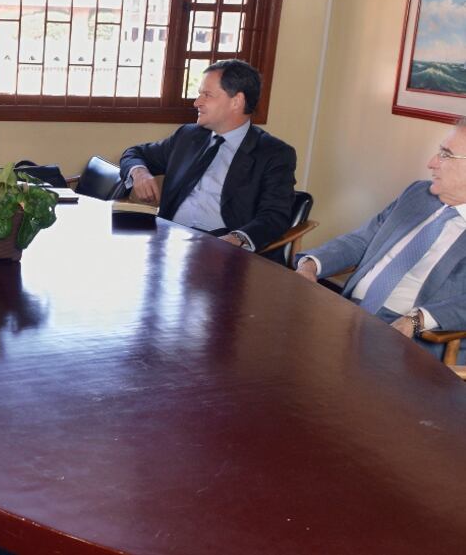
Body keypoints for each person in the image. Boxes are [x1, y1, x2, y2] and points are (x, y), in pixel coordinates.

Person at [296, 120, 466, 362]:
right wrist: (311, 264)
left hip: (412, 339)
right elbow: (363, 239)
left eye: (445, 155)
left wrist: (416, 319)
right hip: (349, 312)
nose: (431, 163)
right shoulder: (418, 194)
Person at [119, 59, 297, 252]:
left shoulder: (274, 154)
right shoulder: (188, 136)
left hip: (224, 251)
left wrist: (236, 239)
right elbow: (134, 153)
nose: (197, 102)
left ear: (236, 101)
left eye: (207, 95)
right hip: (169, 241)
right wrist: (140, 172)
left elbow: (275, 215)